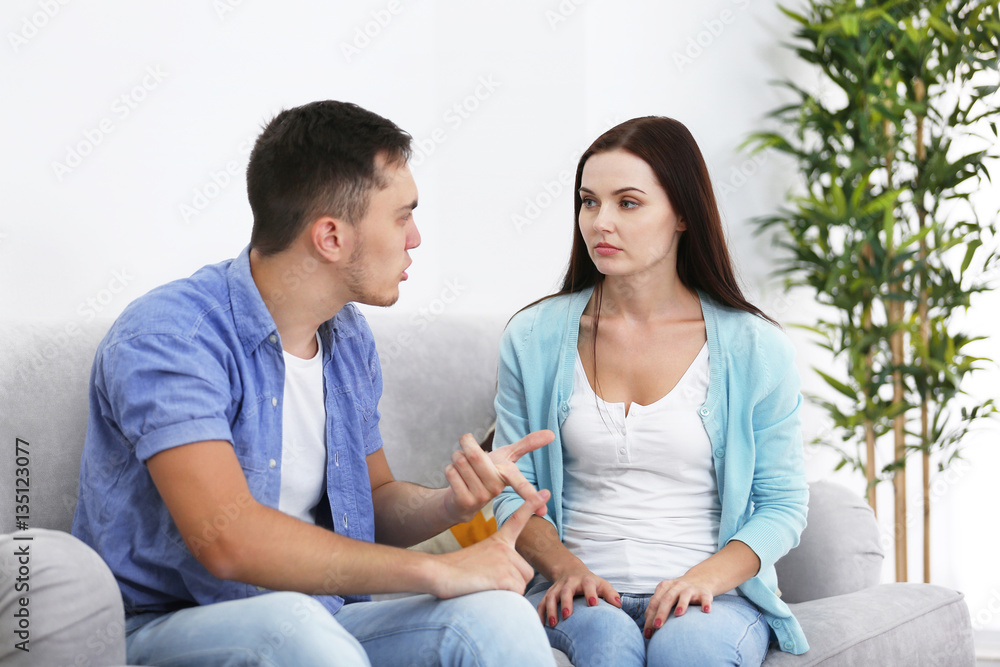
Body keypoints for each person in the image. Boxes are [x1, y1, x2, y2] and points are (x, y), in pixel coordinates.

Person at [71, 100, 558, 667]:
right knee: (294, 626)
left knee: (496, 616)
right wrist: (439, 569)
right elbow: (227, 540)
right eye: (402, 216)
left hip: (323, 617)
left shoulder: (347, 338)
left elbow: (371, 503)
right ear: (331, 237)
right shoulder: (172, 335)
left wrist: (450, 504)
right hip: (168, 625)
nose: (417, 237)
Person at [492, 116, 810, 666]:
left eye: (628, 203)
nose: (600, 222)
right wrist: (567, 570)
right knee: (607, 646)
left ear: (683, 213)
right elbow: (509, 492)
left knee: (689, 652)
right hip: (580, 594)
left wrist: (703, 579)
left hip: (711, 598)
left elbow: (783, 505)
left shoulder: (755, 348)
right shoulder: (533, 338)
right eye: (589, 202)